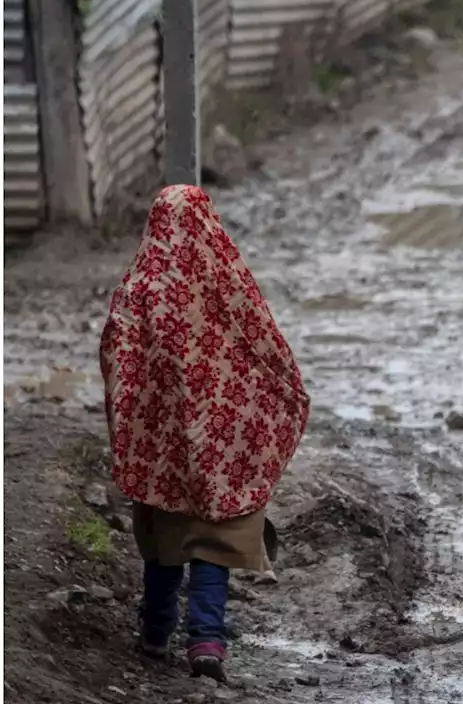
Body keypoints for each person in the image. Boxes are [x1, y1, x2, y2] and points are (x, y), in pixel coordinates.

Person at [99, 184, 310, 682]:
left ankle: (155, 632)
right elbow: (266, 349)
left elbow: (116, 356)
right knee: (212, 544)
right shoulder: (228, 281)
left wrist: (138, 419)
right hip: (222, 450)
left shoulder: (139, 287)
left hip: (161, 448)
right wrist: (284, 396)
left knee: (165, 543)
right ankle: (207, 643)